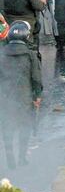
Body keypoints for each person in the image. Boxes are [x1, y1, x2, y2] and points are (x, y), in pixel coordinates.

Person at [0, 22, 43, 169]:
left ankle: (10, 160)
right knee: (25, 126)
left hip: (5, 97)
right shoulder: (30, 55)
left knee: (7, 127)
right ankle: (22, 158)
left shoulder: (1, 54)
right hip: (24, 97)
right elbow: (36, 78)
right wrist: (37, 96)